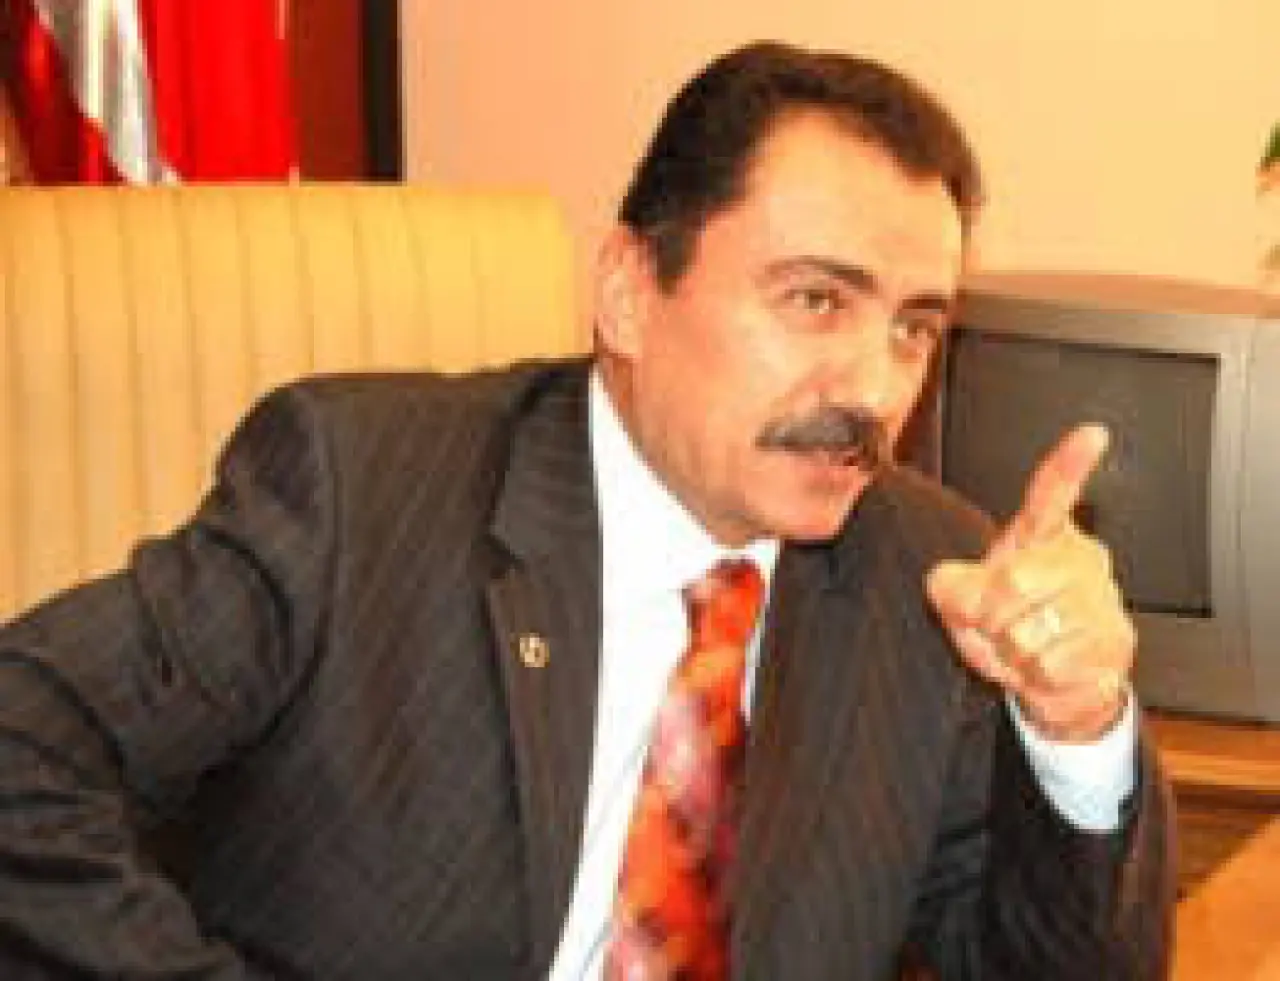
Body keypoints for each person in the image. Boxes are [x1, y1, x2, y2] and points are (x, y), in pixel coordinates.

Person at [0, 40, 1173, 980]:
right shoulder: (359, 489)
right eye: (816, 300)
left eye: (914, 327)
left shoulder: (928, 577)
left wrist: (1075, 727)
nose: (873, 389)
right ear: (626, 291)